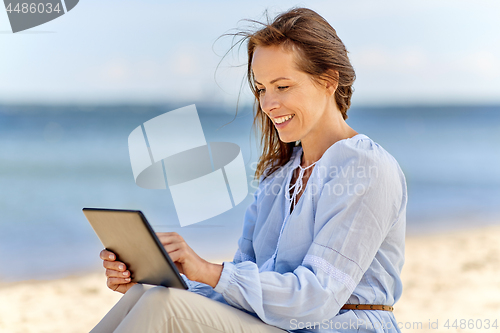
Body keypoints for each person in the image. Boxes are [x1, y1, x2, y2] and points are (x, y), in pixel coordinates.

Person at [90, 7, 407, 333]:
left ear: (328, 80)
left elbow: (315, 298)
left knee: (161, 306)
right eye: (261, 89)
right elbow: (239, 289)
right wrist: (167, 281)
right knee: (148, 296)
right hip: (276, 327)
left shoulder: (364, 168)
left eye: (282, 86)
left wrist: (207, 270)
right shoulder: (278, 178)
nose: (268, 104)